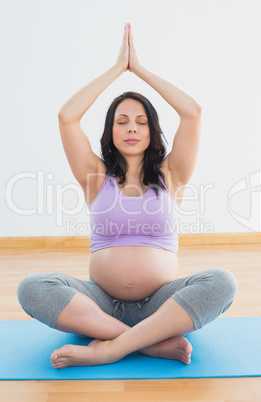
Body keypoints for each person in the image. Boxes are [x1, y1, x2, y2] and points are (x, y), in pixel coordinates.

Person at [17, 23, 238, 369]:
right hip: (100, 303)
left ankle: (110, 347)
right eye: (122, 121)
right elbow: (67, 117)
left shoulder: (171, 176)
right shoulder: (95, 177)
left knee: (223, 282)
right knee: (31, 288)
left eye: (141, 121)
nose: (132, 128)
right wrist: (118, 69)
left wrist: (141, 70)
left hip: (162, 303)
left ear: (152, 130)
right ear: (110, 132)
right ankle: (149, 344)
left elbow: (192, 112)